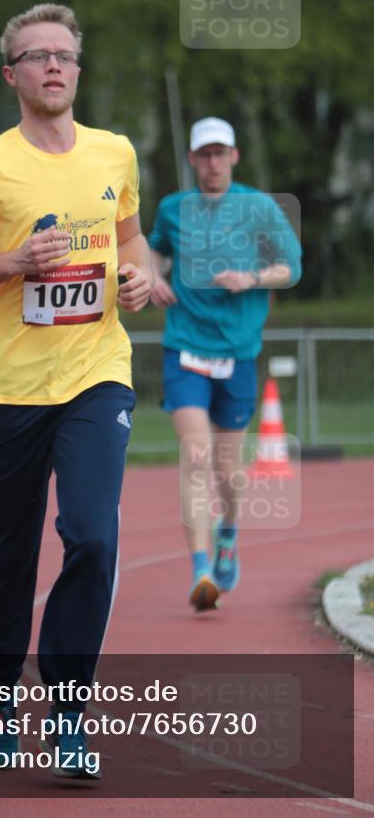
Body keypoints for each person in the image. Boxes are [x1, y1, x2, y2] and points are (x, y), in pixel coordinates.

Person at [0, 3, 153, 777]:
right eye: (36, 56)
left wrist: (143, 275)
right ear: (11, 75)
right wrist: (14, 263)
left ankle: (67, 714)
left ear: (78, 71)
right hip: (11, 386)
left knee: (92, 534)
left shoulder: (115, 153)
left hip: (96, 373)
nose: (52, 66)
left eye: (64, 55)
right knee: (13, 553)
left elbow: (130, 239)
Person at [148, 117, 302, 611]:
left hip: (237, 353)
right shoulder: (173, 208)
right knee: (195, 456)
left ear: (234, 156)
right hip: (184, 348)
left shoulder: (258, 207)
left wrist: (253, 277)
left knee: (229, 471)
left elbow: (292, 267)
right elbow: (152, 251)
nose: (212, 162)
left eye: (220, 153)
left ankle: (228, 532)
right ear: (192, 159)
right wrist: (153, 277)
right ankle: (200, 570)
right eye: (204, 154)